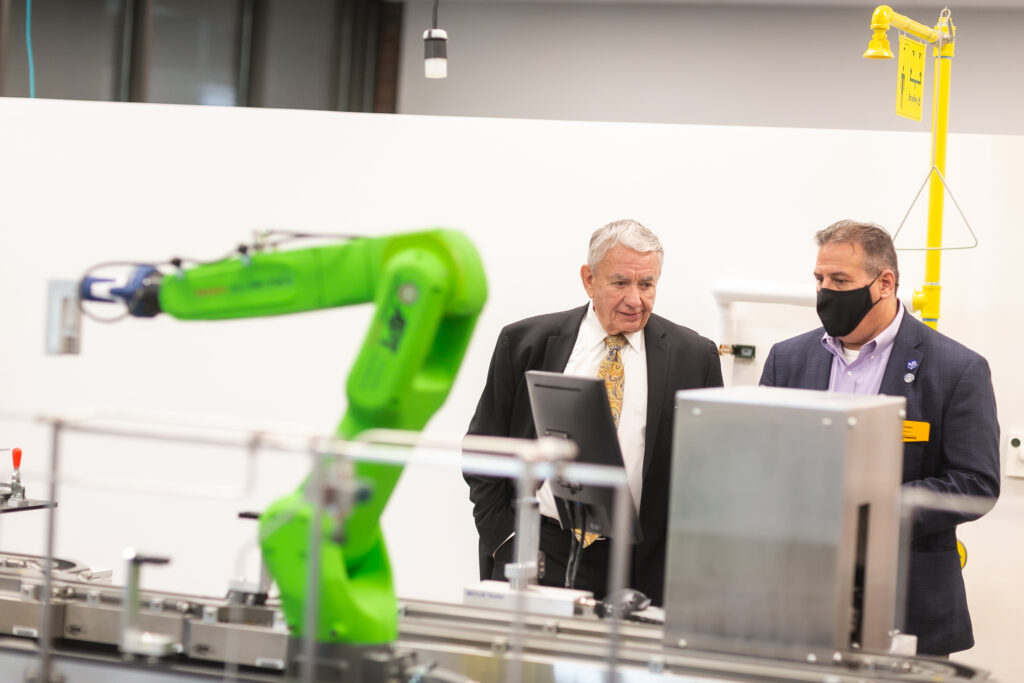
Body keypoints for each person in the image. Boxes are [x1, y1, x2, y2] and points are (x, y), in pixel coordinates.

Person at [760, 219, 1000, 656]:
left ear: (884, 283)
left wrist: (869, 514)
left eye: (840, 280)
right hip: (798, 599)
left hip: (908, 603)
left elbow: (975, 483)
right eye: (819, 279)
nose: (825, 292)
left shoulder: (956, 369)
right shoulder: (788, 359)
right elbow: (761, 461)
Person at [465, 219, 723, 606]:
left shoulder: (694, 358)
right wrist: (505, 538)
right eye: (621, 283)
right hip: (540, 547)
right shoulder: (525, 344)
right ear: (589, 279)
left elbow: (709, 477)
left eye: (647, 284)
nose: (636, 300)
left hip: (640, 564)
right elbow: (484, 447)